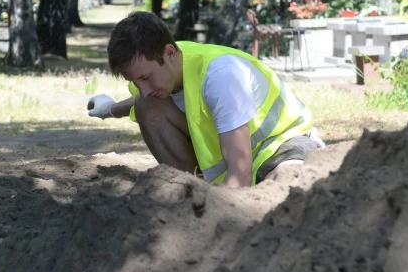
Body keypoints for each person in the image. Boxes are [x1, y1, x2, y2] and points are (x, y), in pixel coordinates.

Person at [85, 12, 323, 187]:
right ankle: (191, 191)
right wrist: (109, 108)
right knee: (146, 105)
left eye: (146, 78)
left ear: (169, 53)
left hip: (282, 147)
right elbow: (140, 101)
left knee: (289, 189)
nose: (143, 89)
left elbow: (240, 171)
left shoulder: (220, 76)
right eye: (136, 82)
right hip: (229, 168)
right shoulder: (162, 77)